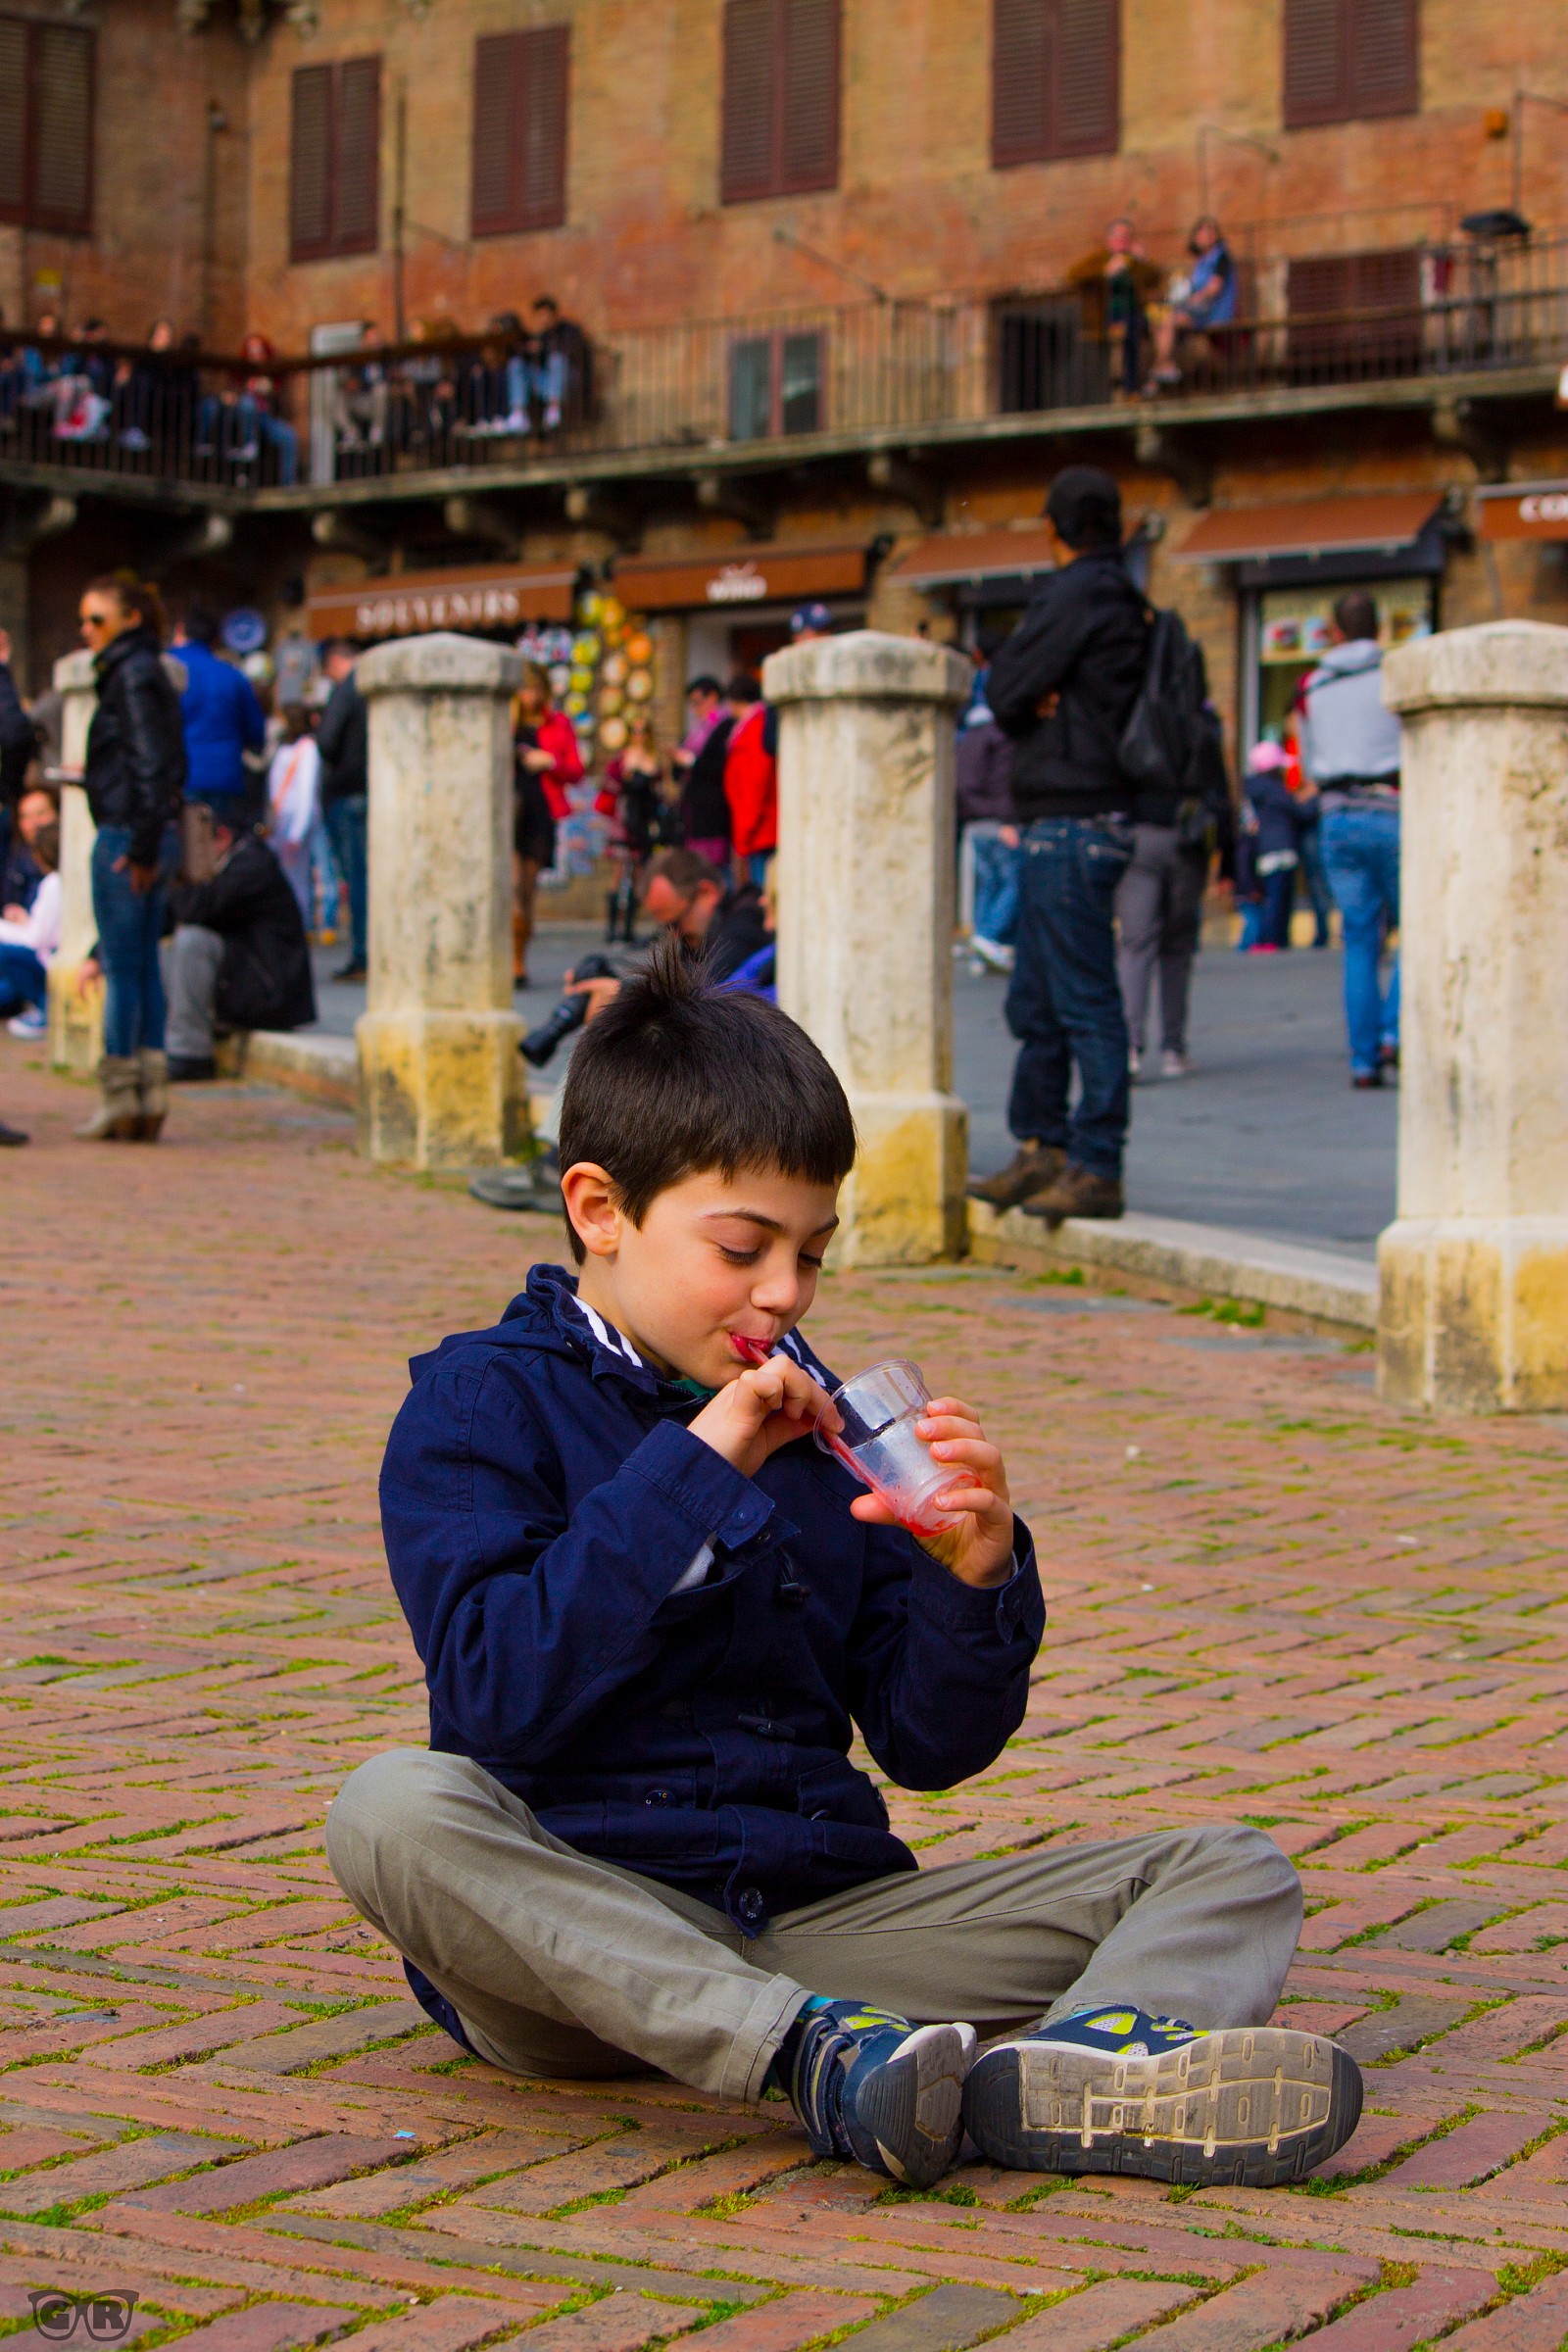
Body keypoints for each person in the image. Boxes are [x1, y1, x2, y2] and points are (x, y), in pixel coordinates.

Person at [326, 940, 1362, 2195]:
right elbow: (498, 1693)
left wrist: (970, 1577)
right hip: (578, 1948)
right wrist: (695, 1469)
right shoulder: (481, 1404)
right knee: (389, 1808)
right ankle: (812, 2057)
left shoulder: (821, 1435)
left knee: (1230, 1868)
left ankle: (1074, 2074)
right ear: (599, 1210)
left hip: (817, 1935)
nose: (784, 1294)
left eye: (811, 1254)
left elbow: (929, 1747)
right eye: (742, 1248)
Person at [969, 466, 1149, 1224]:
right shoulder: (1124, 596)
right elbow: (1019, 691)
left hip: (1075, 819)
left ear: (1053, 527)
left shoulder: (1078, 594)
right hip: (1076, 820)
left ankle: (1096, 1162)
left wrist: (1037, 693)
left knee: (1082, 1000)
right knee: (1038, 999)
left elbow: (1004, 688)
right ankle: (1042, 1145)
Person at [76, 571, 185, 1143]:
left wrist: (140, 843)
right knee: (142, 964)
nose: (87, 630)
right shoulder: (147, 670)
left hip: (129, 835)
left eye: (97, 619)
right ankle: (150, 1092)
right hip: (146, 829)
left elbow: (151, 762)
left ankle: (122, 1095)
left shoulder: (130, 672)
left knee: (124, 967)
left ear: (129, 619)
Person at [1298, 591, 1401, 1088]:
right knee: (1416, 930)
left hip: (1337, 816)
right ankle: (1394, 1030)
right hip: (1394, 809)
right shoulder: (1396, 674)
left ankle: (1363, 1061)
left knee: (1359, 940)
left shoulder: (1312, 685)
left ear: (1335, 631)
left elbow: (1309, 761)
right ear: (1378, 627)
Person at [1113, 673, 1230, 1083]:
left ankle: (1129, 1045)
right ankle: (1173, 1049)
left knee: (1135, 943)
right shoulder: (1201, 722)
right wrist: (1230, 859)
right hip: (1187, 838)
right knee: (1177, 946)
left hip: (1139, 837)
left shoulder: (1130, 712)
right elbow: (1220, 792)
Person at [162, 808, 316, 1081]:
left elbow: (197, 909)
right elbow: (164, 918)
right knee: (165, 948)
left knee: (192, 941)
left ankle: (190, 1054)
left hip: (271, 994)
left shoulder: (252, 865)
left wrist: (177, 879)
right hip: (247, 980)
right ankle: (168, 1044)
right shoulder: (231, 863)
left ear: (222, 837)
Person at [513, 662, 584, 985]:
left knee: (528, 890)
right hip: (508, 810)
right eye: (524, 689)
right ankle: (512, 959)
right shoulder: (505, 721)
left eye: (535, 689)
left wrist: (550, 761)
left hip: (540, 811)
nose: (530, 696)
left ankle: (519, 954)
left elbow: (576, 770)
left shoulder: (557, 723)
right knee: (512, 886)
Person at [172, 606, 267, 820]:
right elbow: (255, 732)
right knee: (221, 838)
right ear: (216, 640)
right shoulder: (233, 676)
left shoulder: (165, 666)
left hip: (178, 779)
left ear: (180, 630)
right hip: (225, 779)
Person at [956, 683, 1017, 976]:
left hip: (976, 819)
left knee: (989, 883)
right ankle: (988, 936)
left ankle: (982, 943)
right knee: (1012, 882)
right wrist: (1006, 819)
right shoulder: (998, 736)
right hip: (996, 819)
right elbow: (1002, 781)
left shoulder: (970, 735)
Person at [317, 641, 368, 980]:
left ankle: (363, 954)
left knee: (357, 877)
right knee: (369, 876)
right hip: (373, 791)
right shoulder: (373, 688)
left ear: (335, 662)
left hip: (347, 792)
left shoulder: (346, 690)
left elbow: (327, 740)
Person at [598, 712, 668, 944]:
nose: (639, 736)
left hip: (643, 821)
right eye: (635, 732)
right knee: (618, 873)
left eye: (642, 732)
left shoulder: (653, 759)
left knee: (639, 874)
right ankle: (612, 926)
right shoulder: (622, 758)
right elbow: (609, 785)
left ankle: (629, 927)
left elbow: (660, 792)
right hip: (624, 819)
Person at [0, 780, 60, 1039]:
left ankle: (44, 1009)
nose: (34, 823)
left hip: (41, 958)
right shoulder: (17, 858)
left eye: (41, 813)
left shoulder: (55, 880)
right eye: (26, 817)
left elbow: (38, 937)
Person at [1149, 217, 1238, 389]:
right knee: (1157, 317)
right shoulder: (1202, 261)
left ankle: (1161, 367)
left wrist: (1191, 300)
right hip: (1198, 310)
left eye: (1210, 231)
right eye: (1202, 231)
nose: (1206, 235)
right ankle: (1164, 366)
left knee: (1168, 318)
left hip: (1213, 312)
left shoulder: (1221, 257)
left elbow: (1214, 288)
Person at [1236, 741, 1300, 955]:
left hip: (1261, 851)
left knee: (1269, 896)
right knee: (1277, 898)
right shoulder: (1275, 789)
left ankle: (1269, 938)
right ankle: (1271, 938)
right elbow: (1298, 811)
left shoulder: (1250, 789)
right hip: (1280, 850)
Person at [266, 704, 324, 929]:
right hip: (280, 821)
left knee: (297, 879)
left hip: (294, 824)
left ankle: (300, 924)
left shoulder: (307, 749)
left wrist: (297, 833)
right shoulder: (283, 748)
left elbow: (306, 793)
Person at [722, 672, 776, 889]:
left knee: (762, 890)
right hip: (756, 826)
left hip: (760, 828)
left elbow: (755, 781)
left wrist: (746, 829)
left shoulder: (755, 726)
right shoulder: (750, 725)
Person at [673, 675, 733, 867]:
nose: (695, 709)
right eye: (692, 704)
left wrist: (690, 761)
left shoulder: (725, 725)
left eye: (698, 702)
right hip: (694, 811)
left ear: (713, 697)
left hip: (713, 811)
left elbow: (718, 767)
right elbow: (678, 772)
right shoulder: (695, 731)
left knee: (714, 865)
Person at [523, 296, 590, 433]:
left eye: (545, 315)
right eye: (539, 316)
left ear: (553, 314)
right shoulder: (540, 336)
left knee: (556, 360)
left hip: (569, 378)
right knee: (517, 366)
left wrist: (544, 348)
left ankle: (553, 409)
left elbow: (572, 353)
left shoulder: (569, 331)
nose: (543, 319)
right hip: (546, 382)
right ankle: (518, 413)